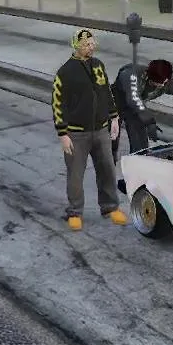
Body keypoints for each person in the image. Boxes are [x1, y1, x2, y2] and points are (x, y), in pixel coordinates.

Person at [52, 29, 126, 231]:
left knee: (107, 169)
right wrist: (62, 133)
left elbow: (107, 92)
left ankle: (110, 207)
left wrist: (114, 117)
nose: (90, 48)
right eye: (86, 45)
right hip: (76, 133)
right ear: (76, 46)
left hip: (101, 130)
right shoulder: (65, 72)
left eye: (92, 44)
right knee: (75, 175)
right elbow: (58, 104)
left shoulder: (98, 65)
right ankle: (75, 212)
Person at [112, 59, 173, 190]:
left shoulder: (167, 81)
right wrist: (149, 121)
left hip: (135, 111)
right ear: (148, 76)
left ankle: (132, 181)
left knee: (140, 148)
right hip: (113, 107)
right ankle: (107, 177)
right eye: (157, 83)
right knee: (110, 144)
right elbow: (134, 99)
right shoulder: (131, 75)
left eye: (163, 83)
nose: (161, 86)